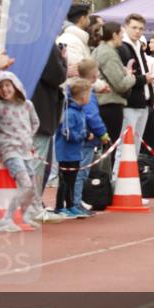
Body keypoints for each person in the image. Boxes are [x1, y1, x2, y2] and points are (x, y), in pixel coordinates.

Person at [0, 71, 42, 233]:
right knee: (25, 184)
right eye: (0, 88)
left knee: (32, 186)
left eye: (7, 86)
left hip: (25, 151)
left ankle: (26, 214)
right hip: (10, 152)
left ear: (15, 86)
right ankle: (6, 219)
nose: (5, 90)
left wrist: (28, 139)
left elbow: (35, 122)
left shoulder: (28, 105)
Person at [116, 13, 154, 180]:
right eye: (134, 27)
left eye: (141, 28)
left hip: (142, 102)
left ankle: (129, 187)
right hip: (129, 103)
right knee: (125, 148)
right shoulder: (122, 48)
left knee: (135, 148)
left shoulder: (138, 47)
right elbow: (125, 77)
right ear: (125, 27)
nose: (138, 31)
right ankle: (117, 183)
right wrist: (143, 79)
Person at [94, 21, 136, 177]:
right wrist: (131, 77)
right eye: (121, 34)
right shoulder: (109, 54)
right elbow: (119, 84)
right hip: (110, 104)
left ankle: (98, 183)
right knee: (109, 149)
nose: (123, 37)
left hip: (102, 103)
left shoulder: (99, 51)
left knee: (103, 148)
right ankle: (103, 184)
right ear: (114, 35)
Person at [72, 59, 112, 215]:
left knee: (75, 171)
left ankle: (73, 202)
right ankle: (75, 203)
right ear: (95, 75)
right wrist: (102, 133)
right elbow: (92, 115)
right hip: (86, 138)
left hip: (79, 137)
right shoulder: (86, 92)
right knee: (81, 172)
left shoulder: (75, 88)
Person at [30, 43, 68, 196]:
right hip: (41, 109)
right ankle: (32, 204)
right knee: (38, 161)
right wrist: (63, 62)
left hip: (24, 108)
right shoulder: (45, 45)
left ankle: (31, 204)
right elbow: (56, 75)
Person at [53, 78, 92, 216]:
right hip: (65, 152)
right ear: (81, 96)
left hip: (75, 152)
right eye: (88, 94)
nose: (90, 97)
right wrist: (84, 135)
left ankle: (70, 205)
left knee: (72, 180)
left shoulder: (80, 111)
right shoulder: (69, 112)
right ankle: (59, 206)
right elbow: (67, 132)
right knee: (64, 180)